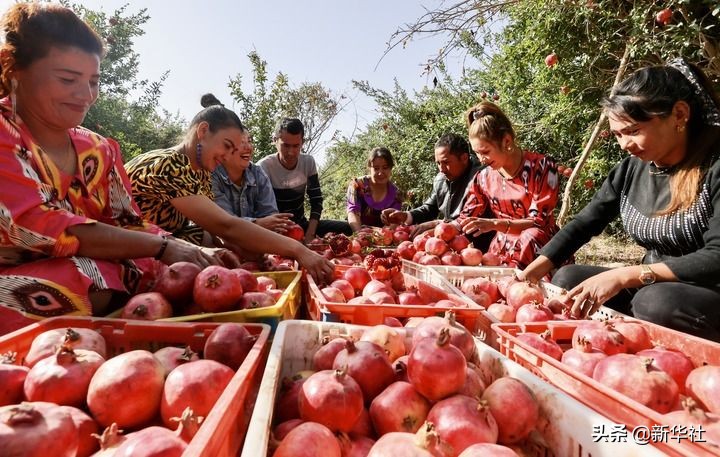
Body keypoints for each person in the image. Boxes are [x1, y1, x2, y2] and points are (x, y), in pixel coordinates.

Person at [0, 3, 234, 334]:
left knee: (161, 267)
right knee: (82, 278)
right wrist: (163, 247)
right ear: (16, 71)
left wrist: (186, 251)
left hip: (98, 268)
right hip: (17, 278)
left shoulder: (98, 149)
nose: (86, 95)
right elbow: (31, 224)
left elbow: (129, 223)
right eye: (68, 79)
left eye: (93, 81)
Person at [520, 58, 720, 342]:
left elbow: (717, 256)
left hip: (704, 291)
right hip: (652, 284)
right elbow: (586, 222)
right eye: (617, 134)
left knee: (654, 302)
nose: (624, 144)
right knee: (569, 281)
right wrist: (533, 270)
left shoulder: (715, 166)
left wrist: (627, 275)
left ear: (679, 114)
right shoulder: (631, 168)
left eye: (634, 131)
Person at [125, 95, 334, 283]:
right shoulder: (169, 164)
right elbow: (225, 225)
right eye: (226, 146)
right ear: (203, 131)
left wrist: (245, 251)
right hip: (129, 244)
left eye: (232, 150)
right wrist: (297, 249)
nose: (227, 156)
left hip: (162, 239)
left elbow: (214, 231)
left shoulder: (201, 172)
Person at [457, 101, 560, 269]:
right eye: (476, 153)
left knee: (531, 235)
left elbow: (539, 222)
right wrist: (435, 228)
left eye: (485, 152)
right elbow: (466, 216)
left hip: (539, 249)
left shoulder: (542, 168)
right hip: (501, 251)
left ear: (506, 141)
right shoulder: (483, 178)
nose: (481, 159)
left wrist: (495, 224)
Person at [381, 133, 494, 248]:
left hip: (480, 250)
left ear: (464, 158)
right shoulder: (441, 179)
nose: (441, 169)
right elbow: (430, 208)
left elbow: (470, 220)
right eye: (438, 163)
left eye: (446, 162)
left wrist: (437, 225)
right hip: (447, 250)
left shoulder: (482, 178)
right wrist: (406, 216)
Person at [258, 117, 352, 243]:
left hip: (302, 226)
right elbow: (263, 211)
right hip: (274, 231)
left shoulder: (308, 162)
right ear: (275, 140)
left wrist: (310, 234)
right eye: (285, 145)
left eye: (296, 146)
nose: (291, 152)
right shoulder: (263, 167)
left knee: (347, 228)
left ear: (303, 142)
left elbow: (316, 201)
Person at [211, 128, 294, 233]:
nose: (248, 147)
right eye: (241, 142)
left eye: (249, 141)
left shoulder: (258, 173)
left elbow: (271, 218)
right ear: (226, 147)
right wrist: (258, 223)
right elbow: (223, 223)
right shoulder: (212, 176)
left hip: (256, 240)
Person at [346, 147, 403, 231]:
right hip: (354, 231)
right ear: (370, 168)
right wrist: (359, 234)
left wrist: (378, 236)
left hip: (382, 237)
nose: (380, 173)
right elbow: (353, 213)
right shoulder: (357, 185)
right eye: (376, 168)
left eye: (385, 167)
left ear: (391, 168)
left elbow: (393, 223)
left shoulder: (396, 194)